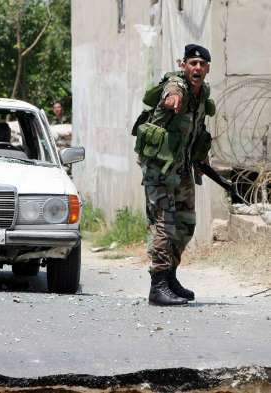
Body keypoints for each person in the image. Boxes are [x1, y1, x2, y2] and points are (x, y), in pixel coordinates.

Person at [136, 44, 214, 306]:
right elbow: (172, 92)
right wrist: (172, 100)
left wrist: (201, 160)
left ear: (207, 69)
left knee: (185, 223)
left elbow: (198, 131)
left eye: (202, 65)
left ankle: (170, 277)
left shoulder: (203, 94)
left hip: (180, 167)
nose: (197, 68)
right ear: (183, 65)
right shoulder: (176, 85)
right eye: (192, 63)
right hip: (158, 168)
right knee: (164, 223)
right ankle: (157, 286)